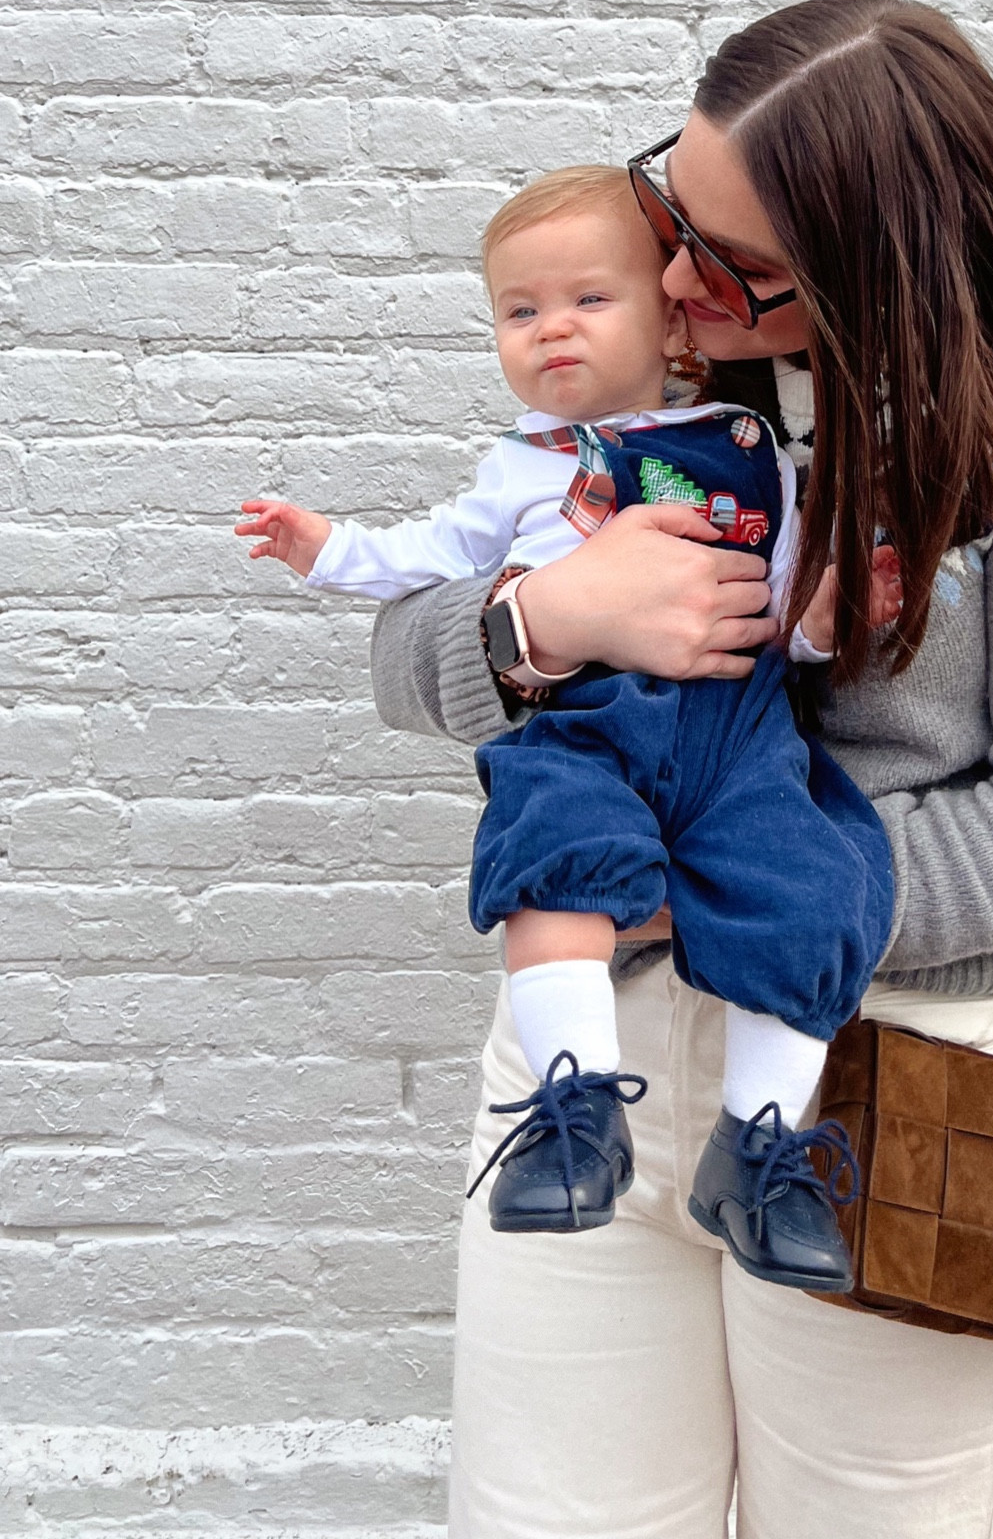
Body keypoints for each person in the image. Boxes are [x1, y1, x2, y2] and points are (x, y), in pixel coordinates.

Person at [370, 0, 993, 1538]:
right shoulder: (666, 389)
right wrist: (541, 618)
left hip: (889, 1093)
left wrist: (722, 883)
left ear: (877, 260)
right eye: (672, 212)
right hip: (584, 1072)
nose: (670, 278)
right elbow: (407, 652)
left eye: (728, 262)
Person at [236, 163, 896, 1290]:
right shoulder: (522, 464)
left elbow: (783, 610)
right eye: (519, 309)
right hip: (579, 716)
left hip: (737, 724)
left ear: (670, 319)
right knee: (554, 860)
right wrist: (328, 549)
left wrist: (832, 617)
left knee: (809, 884)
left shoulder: (746, 445)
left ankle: (764, 1146)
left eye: (588, 299)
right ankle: (573, 1108)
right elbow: (430, 557)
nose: (552, 331)